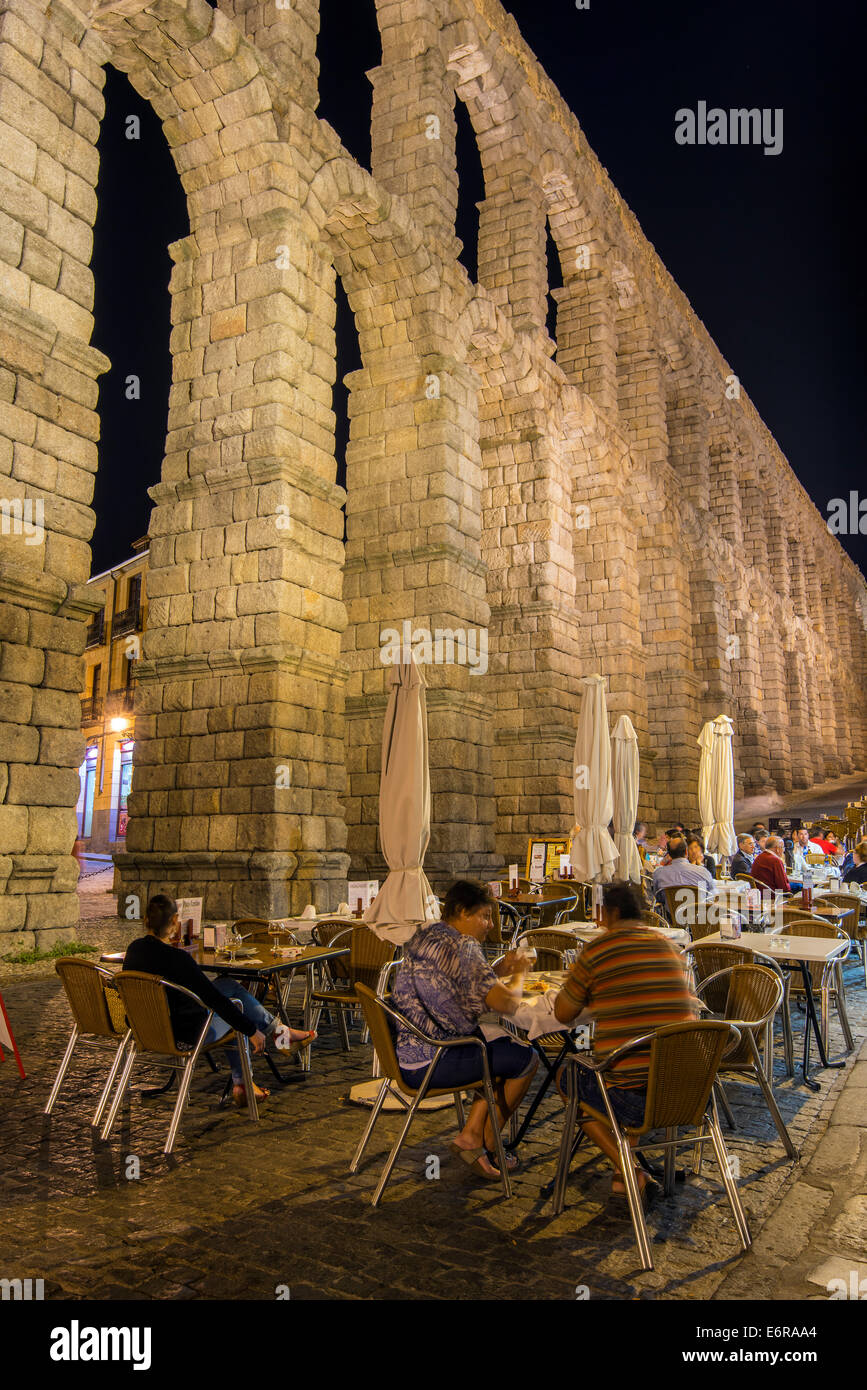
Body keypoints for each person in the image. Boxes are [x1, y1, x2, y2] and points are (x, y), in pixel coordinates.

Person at [553, 880, 698, 1204]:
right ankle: (622, 1176)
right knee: (625, 1062)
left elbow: (563, 1013)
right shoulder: (667, 946)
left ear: (610, 912)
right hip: (685, 1089)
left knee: (570, 1079)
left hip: (635, 1098)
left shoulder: (598, 951)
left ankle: (628, 1168)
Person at [392, 880, 538, 1181]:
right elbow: (507, 1004)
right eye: (485, 916)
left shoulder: (428, 934)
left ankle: (474, 1134)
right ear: (461, 912)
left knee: (495, 1042)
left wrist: (498, 972)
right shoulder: (464, 945)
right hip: (436, 1061)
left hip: (407, 1055)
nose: (491, 924)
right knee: (526, 1058)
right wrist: (521, 972)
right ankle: (482, 1140)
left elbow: (457, 982)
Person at [124, 894, 315, 1107]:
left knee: (228, 985)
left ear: (147, 920)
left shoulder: (133, 951)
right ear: (175, 921)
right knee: (235, 1011)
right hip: (184, 1034)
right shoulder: (178, 959)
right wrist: (251, 1031)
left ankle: (278, 1035)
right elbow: (214, 1000)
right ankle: (248, 1076)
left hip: (145, 1029)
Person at [650, 836, 714, 909]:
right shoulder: (703, 872)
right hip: (698, 918)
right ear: (686, 852)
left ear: (669, 854)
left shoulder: (659, 873)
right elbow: (711, 895)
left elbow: (658, 897)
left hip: (670, 918)